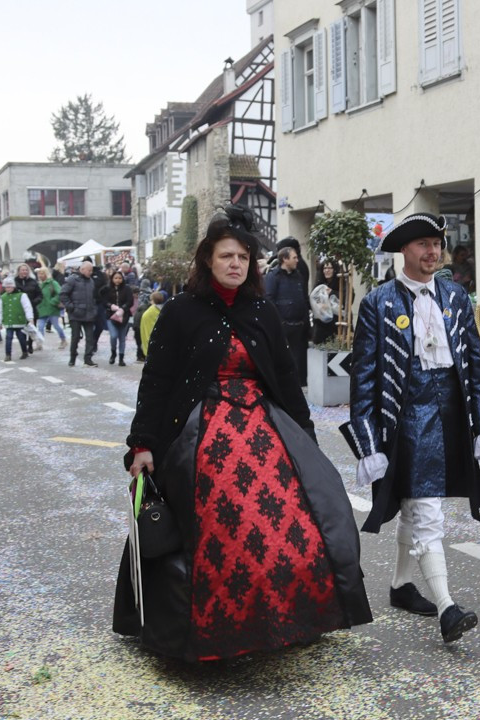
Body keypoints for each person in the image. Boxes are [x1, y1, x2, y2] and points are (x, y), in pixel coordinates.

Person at [113, 204, 371, 661]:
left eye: (244, 258)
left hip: (263, 429)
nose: (236, 264)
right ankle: (222, 633)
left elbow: (287, 381)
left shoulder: (262, 310)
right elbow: (156, 380)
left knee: (299, 521)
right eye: (227, 256)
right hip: (200, 434)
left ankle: (285, 620)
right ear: (208, 260)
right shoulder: (180, 311)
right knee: (225, 530)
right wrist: (143, 443)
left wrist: (305, 438)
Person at [345, 212, 480, 643]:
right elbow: (365, 378)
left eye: (437, 244)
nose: (433, 252)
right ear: (404, 251)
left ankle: (400, 586)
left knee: (417, 503)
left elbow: (476, 365)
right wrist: (368, 442)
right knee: (426, 507)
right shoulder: (379, 302)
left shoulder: (456, 295)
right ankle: (448, 607)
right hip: (407, 416)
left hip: (451, 411)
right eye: (423, 245)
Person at [265, 246, 310, 382]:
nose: (297, 260)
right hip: (282, 327)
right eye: (294, 257)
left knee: (297, 360)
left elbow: (303, 298)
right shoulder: (273, 276)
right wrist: (279, 322)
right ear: (285, 259)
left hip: (298, 326)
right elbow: (269, 300)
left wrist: (305, 320)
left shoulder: (298, 276)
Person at [60, 261, 99, 367]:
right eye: (89, 270)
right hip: (76, 314)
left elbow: (94, 297)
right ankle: (73, 357)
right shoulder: (73, 279)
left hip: (89, 313)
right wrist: (71, 307)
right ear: (82, 269)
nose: (90, 272)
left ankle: (88, 358)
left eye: (91, 270)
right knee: (75, 337)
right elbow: (63, 294)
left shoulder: (91, 281)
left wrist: (94, 309)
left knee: (90, 338)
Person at [0, 276, 33, 361]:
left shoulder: (21, 295)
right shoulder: (3, 297)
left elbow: (27, 307)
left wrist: (30, 318)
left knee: (21, 338)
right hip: (9, 322)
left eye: (9, 286)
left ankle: (24, 351)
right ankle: (8, 354)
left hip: (19, 321)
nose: (8, 289)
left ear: (14, 286)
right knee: (8, 338)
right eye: (6, 287)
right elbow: (0, 310)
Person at [104, 270, 134, 367]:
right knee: (113, 336)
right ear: (112, 279)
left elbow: (130, 301)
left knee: (122, 338)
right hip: (111, 316)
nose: (117, 280)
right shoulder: (108, 289)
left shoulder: (127, 289)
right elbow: (104, 301)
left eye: (119, 278)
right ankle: (113, 353)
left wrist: (123, 308)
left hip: (124, 317)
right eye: (115, 278)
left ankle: (121, 358)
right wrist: (110, 305)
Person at [13, 263, 43, 353]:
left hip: (32, 309)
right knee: (21, 329)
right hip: (19, 309)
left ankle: (30, 344)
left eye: (26, 270)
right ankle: (23, 346)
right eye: (22, 270)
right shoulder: (14, 282)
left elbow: (40, 295)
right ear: (18, 271)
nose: (24, 272)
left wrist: (35, 302)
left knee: (31, 328)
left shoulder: (33, 282)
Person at [310, 259, 340, 345]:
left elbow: (347, 298)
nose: (327, 270)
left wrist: (332, 293)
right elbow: (313, 300)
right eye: (325, 268)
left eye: (330, 268)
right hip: (321, 325)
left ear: (334, 269)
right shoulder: (319, 285)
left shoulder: (340, 283)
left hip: (336, 324)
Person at [35, 267, 67, 349]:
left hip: (52, 308)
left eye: (42, 274)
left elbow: (60, 293)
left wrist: (53, 301)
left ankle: (63, 339)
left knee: (56, 325)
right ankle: (40, 343)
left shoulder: (53, 283)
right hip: (42, 309)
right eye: (39, 274)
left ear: (46, 274)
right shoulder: (39, 284)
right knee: (40, 327)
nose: (40, 276)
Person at [139, 290, 165, 357]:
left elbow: (145, 330)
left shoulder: (148, 313)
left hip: (150, 344)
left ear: (152, 300)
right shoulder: (165, 310)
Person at [132, 277, 153, 361]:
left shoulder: (140, 294)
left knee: (138, 336)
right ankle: (142, 354)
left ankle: (139, 354)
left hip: (138, 317)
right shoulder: (150, 294)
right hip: (145, 318)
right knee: (143, 335)